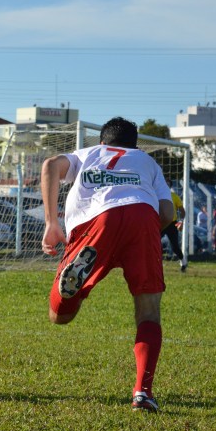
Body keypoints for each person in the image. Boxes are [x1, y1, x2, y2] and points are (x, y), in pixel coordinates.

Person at [40, 117, 173, 412]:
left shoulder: (88, 154)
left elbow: (50, 165)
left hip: (96, 221)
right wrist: (152, 228)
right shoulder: (146, 161)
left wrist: (51, 222)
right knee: (149, 312)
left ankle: (72, 283)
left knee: (59, 316)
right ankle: (142, 393)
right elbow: (167, 211)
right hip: (142, 216)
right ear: (134, 145)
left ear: (103, 142)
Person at [160, 179, 187, 271]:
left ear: (170, 186)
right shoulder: (157, 195)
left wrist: (181, 221)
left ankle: (183, 263)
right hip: (161, 223)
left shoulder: (174, 196)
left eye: (168, 185)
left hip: (172, 224)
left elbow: (182, 211)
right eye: (164, 184)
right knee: (154, 243)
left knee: (174, 246)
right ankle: (157, 263)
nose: (166, 186)